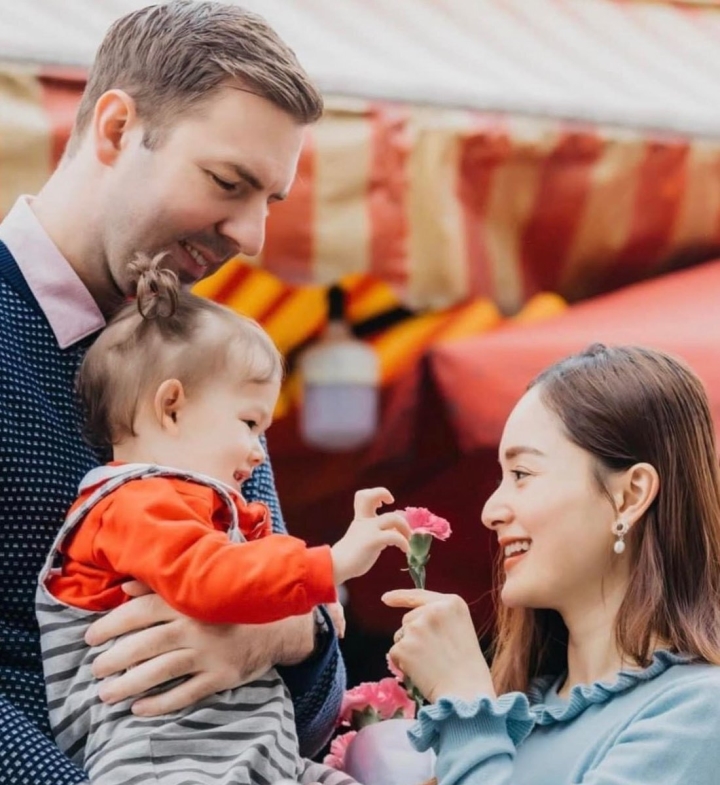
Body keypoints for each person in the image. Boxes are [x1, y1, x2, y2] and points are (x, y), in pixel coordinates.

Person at [0, 2, 345, 782]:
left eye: (271, 201)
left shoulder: (211, 360)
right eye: (229, 181)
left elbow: (319, 709)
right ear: (116, 130)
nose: (253, 235)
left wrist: (281, 635)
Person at [36, 255, 410, 785]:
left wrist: (306, 596)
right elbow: (210, 580)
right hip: (165, 758)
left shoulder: (207, 507)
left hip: (244, 747)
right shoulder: (133, 503)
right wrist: (332, 563)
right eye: (249, 423)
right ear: (171, 407)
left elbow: (252, 575)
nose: (259, 451)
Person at [383, 344, 720, 784]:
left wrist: (465, 708)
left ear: (631, 495)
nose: (491, 510)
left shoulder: (699, 712)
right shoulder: (514, 713)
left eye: (522, 474)